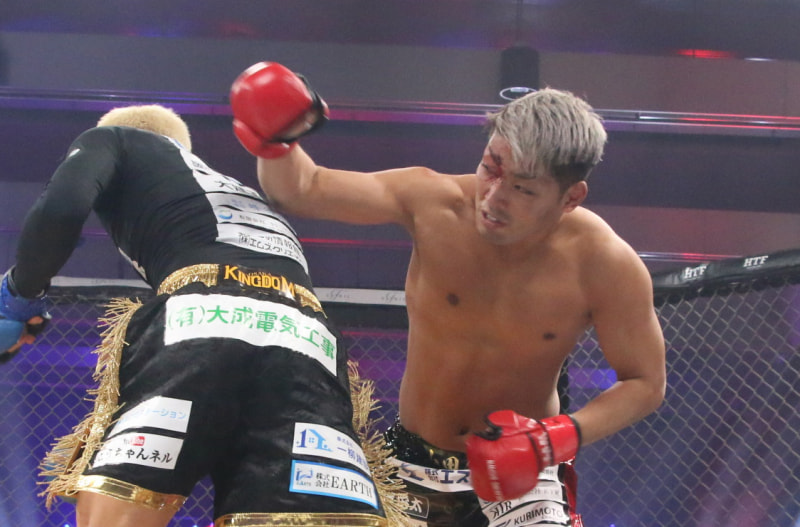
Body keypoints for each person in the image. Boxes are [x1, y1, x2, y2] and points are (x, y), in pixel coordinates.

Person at [228, 61, 667, 527]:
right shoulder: (434, 203)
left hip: (524, 479)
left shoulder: (605, 264)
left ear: (571, 197)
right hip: (408, 462)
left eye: (522, 189)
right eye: (490, 168)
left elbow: (645, 382)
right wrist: (277, 140)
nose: (493, 198)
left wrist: (552, 439)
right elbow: (303, 190)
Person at [0, 104, 393, 527]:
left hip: (199, 320)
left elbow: (61, 209)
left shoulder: (117, 139)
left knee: (115, 517)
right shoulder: (241, 194)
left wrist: (19, 295)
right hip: (308, 343)